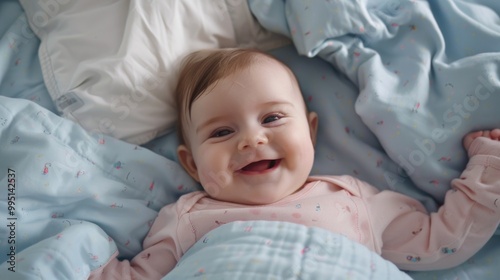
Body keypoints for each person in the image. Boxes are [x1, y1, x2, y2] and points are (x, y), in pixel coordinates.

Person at [89, 48, 500, 279]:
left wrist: (490, 165)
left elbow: (443, 240)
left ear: (311, 131)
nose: (252, 139)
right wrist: (77, 254)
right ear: (192, 165)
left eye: (271, 118)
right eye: (220, 133)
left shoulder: (353, 201)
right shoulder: (184, 219)